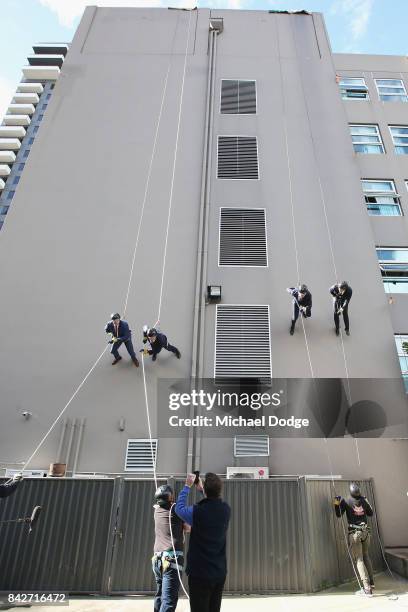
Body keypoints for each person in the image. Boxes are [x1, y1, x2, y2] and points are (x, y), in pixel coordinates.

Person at [175, 473, 231, 612]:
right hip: (219, 573)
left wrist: (187, 486)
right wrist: (202, 490)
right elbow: (211, 505)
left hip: (200, 574)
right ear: (220, 490)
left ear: (206, 490)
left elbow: (179, 508)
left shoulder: (197, 512)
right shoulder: (225, 510)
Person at [334, 482, 375, 597]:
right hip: (366, 533)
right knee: (366, 555)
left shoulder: (345, 501)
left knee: (359, 560)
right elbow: (370, 513)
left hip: (355, 534)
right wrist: (366, 501)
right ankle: (371, 584)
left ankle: (366, 589)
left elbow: (338, 515)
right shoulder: (363, 499)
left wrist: (336, 502)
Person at [152, 484, 187, 612]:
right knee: (168, 601)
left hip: (157, 559)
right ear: (171, 496)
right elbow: (188, 528)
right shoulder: (175, 509)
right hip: (172, 559)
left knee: (160, 596)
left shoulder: (156, 511)